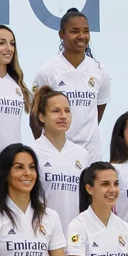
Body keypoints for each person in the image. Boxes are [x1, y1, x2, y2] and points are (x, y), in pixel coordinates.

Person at [30, 9, 110, 162]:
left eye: (86, 31)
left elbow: (96, 114)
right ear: (62, 34)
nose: (82, 36)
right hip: (56, 154)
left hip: (91, 156)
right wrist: (48, 147)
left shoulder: (100, 72)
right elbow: (35, 118)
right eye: (74, 31)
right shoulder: (48, 71)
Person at [29, 87, 90, 235]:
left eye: (67, 111)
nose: (63, 116)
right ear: (42, 116)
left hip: (75, 237)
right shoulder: (32, 151)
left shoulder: (82, 154)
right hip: (41, 235)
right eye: (56, 111)